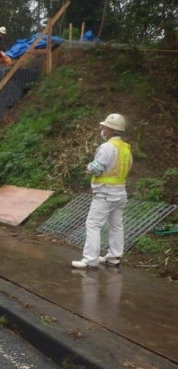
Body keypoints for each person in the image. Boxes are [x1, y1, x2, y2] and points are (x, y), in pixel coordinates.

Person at [72, 113, 132, 269]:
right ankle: (114, 257)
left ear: (111, 131)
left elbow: (97, 169)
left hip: (105, 194)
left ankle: (90, 259)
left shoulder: (107, 147)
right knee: (116, 225)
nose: (102, 130)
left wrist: (89, 167)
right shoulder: (126, 149)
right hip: (120, 194)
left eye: (104, 128)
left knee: (93, 225)